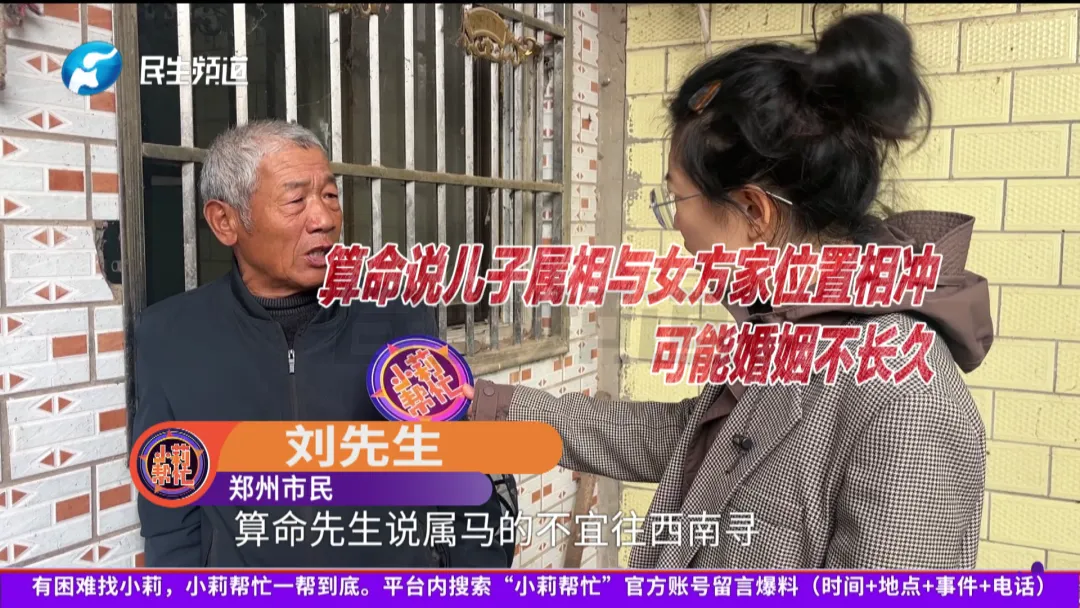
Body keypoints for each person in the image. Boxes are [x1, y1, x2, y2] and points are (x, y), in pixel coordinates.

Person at [463, 13, 992, 569]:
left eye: (678, 199)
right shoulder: (794, 332)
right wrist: (492, 405)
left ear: (753, 211)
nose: (677, 226)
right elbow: (684, 438)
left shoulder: (907, 403)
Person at [132, 120, 514, 568]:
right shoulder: (171, 335)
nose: (325, 219)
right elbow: (170, 511)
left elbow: (460, 472)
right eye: (296, 201)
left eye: (330, 196)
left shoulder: (398, 318)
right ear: (225, 221)